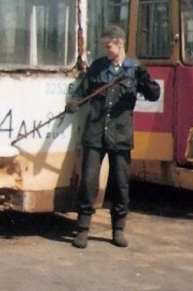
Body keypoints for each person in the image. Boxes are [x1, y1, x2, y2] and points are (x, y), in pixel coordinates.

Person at [66, 25, 160, 249]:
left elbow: (154, 94)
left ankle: (118, 229)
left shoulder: (134, 68)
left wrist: (144, 77)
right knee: (88, 182)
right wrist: (73, 102)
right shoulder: (98, 67)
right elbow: (82, 90)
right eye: (103, 46)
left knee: (120, 183)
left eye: (108, 45)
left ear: (119, 44)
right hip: (95, 133)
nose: (105, 50)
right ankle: (82, 228)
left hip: (120, 134)